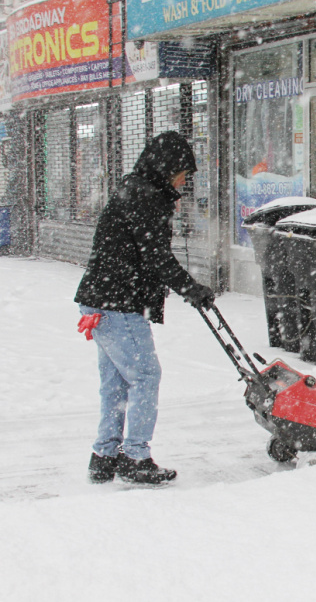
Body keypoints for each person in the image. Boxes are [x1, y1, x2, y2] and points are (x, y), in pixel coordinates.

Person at [75, 131, 215, 485]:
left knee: (117, 382)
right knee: (145, 376)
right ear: (167, 168)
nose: (185, 179)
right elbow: (155, 257)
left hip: (101, 300)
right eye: (183, 171)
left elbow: (143, 254)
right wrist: (191, 289)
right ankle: (135, 456)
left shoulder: (135, 189)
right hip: (118, 304)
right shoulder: (146, 197)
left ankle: (104, 455)